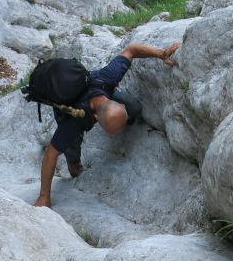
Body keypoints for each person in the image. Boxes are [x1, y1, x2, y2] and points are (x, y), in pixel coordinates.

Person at [33, 41, 181, 208]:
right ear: (95, 117)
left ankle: (128, 115)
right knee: (70, 144)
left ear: (118, 104)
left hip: (97, 87)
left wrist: (161, 53)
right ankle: (73, 163)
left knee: (135, 107)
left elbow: (131, 49)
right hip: (67, 104)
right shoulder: (74, 121)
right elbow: (50, 155)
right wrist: (44, 196)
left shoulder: (108, 77)